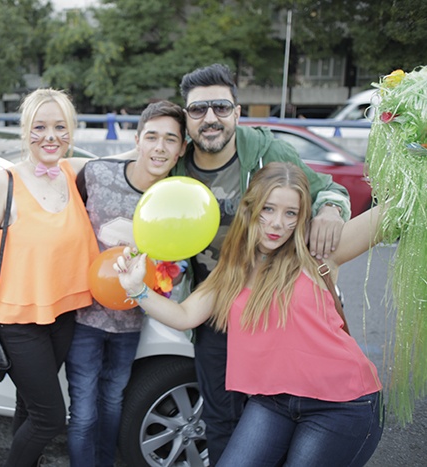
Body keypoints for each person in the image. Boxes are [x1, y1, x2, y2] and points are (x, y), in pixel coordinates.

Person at [115, 161, 385, 467]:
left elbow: (392, 215)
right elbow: (184, 315)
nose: (277, 224)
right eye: (268, 209)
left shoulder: (315, 253)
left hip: (341, 404)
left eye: (290, 213)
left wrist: (415, 154)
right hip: (272, 401)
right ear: (250, 209)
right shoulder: (233, 269)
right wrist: (137, 289)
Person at [170, 63, 351, 464]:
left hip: (273, 302)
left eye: (220, 107)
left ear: (237, 112)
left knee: (277, 412)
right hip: (215, 307)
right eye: (198, 109)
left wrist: (331, 210)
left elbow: (327, 189)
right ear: (187, 117)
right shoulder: (176, 164)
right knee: (220, 417)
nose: (210, 118)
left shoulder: (268, 152)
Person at [0, 88, 99, 467]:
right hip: (17, 323)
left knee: (29, 406)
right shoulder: (4, 182)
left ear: (71, 131)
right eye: (40, 127)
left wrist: (164, 144)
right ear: (25, 130)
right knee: (49, 418)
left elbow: (128, 164)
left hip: (63, 315)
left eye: (60, 127)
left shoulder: (72, 172)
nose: (51, 136)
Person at [66, 100, 187, 467]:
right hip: (84, 318)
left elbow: (177, 261)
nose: (160, 147)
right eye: (152, 137)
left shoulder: (177, 200)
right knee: (83, 411)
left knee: (113, 402)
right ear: (137, 140)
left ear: (182, 149)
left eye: (170, 139)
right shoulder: (98, 174)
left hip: (131, 321)